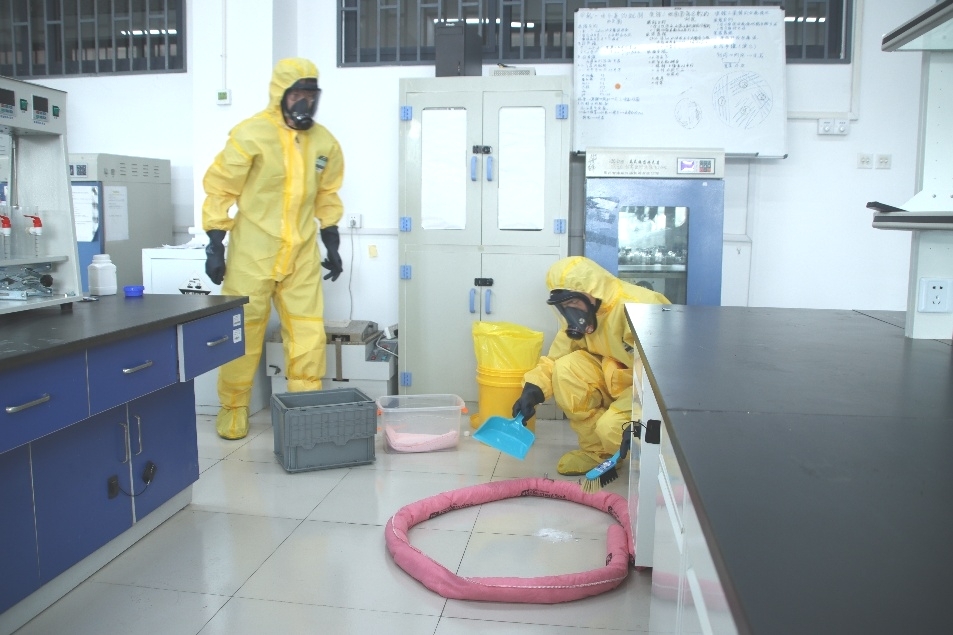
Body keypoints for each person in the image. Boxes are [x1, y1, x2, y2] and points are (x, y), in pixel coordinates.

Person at [202, 58, 345, 439]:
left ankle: (304, 412)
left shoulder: (324, 142)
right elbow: (221, 189)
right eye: (297, 95)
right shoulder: (251, 135)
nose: (305, 103)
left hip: (301, 253)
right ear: (280, 94)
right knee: (244, 332)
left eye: (311, 95)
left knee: (308, 332)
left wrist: (331, 242)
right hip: (253, 251)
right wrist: (215, 243)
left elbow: (328, 194)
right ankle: (233, 407)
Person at [512, 256, 671, 475]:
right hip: (616, 379)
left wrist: (640, 418)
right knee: (565, 369)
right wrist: (533, 389)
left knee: (612, 429)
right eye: (563, 306)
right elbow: (556, 358)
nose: (570, 311)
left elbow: (666, 372)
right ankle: (599, 454)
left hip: (649, 387)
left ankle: (665, 463)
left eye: (573, 302)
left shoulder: (641, 306)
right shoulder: (582, 316)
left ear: (591, 291)